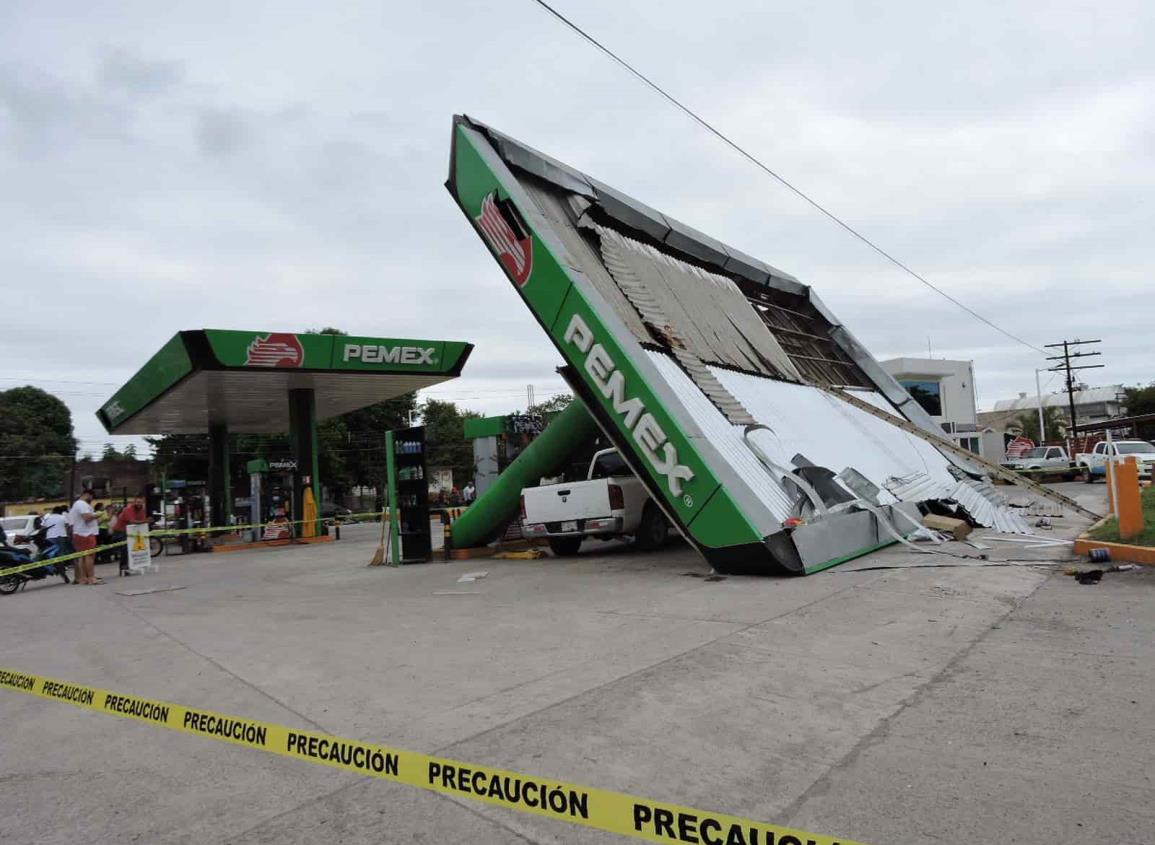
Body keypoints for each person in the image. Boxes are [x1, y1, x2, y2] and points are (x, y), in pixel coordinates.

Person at [69, 489, 102, 585]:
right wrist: (97, 514)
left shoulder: (76, 504)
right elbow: (87, 517)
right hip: (86, 533)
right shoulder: (82, 504)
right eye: (92, 497)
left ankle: (83, 578)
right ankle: (91, 578)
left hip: (79, 532)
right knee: (89, 556)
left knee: (82, 557)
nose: (92, 500)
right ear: (87, 495)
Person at [112, 497, 150, 577]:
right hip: (120, 531)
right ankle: (123, 568)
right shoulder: (128, 509)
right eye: (137, 502)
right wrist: (145, 521)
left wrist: (145, 522)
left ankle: (131, 566)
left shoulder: (142, 510)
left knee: (133, 549)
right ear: (134, 502)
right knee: (125, 550)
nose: (139, 504)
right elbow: (131, 521)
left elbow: (142, 521)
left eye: (140, 502)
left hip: (131, 531)